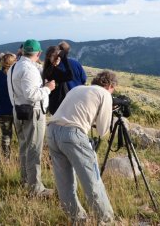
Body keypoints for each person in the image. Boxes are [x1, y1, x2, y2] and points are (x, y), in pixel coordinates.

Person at [47, 70, 117, 224]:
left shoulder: (77, 88)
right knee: (92, 181)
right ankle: (106, 221)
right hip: (73, 135)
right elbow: (102, 130)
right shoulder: (104, 94)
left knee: (64, 182)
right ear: (110, 86)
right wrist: (107, 112)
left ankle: (77, 219)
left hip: (52, 131)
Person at [7, 39, 56, 197]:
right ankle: (36, 188)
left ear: (22, 51)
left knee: (24, 148)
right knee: (34, 149)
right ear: (39, 53)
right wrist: (47, 89)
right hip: (32, 112)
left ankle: (25, 180)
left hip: (18, 110)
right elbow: (32, 95)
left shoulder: (15, 66)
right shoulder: (28, 69)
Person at [42, 46, 73, 115]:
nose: (57, 57)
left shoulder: (47, 70)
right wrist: (64, 59)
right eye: (54, 55)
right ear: (49, 57)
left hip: (54, 104)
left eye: (58, 56)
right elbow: (70, 76)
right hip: (59, 105)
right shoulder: (53, 71)